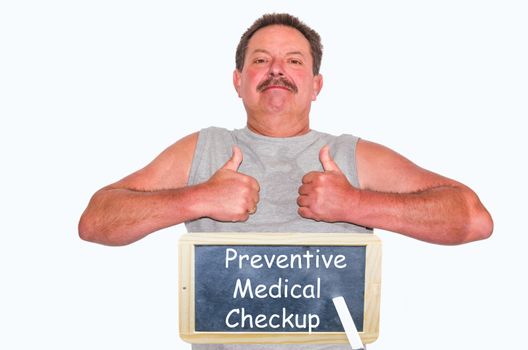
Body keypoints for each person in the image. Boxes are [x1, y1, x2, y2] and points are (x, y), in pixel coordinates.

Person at [79, 13, 493, 350]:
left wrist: (355, 206)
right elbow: (96, 220)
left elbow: (472, 218)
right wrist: (198, 198)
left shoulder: (352, 155)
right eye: (261, 60)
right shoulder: (203, 148)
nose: (277, 70)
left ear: (316, 86)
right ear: (238, 80)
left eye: (294, 60)